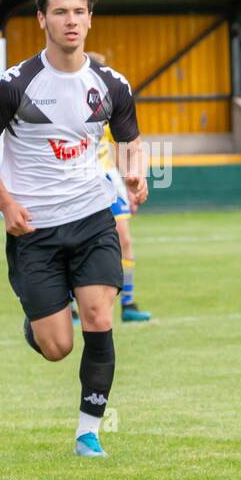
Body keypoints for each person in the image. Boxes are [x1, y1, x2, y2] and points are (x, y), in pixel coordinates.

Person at [0, 0, 146, 458]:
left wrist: (136, 173)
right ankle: (38, 321)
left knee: (97, 315)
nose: (72, 21)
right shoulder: (15, 85)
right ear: (42, 18)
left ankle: (88, 432)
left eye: (80, 12)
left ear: (91, 19)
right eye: (61, 12)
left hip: (92, 218)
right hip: (35, 229)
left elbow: (129, 142)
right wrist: (6, 204)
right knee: (57, 347)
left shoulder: (111, 84)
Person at [86, 51, 151, 323]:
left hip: (108, 181)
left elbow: (126, 146)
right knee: (75, 245)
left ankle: (128, 303)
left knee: (124, 240)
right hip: (78, 183)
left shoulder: (109, 106)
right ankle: (72, 306)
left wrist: (133, 181)